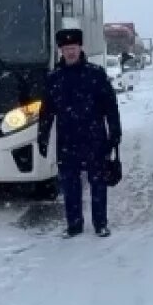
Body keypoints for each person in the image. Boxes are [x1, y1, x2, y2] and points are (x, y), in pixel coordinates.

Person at [37, 27, 122, 238]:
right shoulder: (54, 78)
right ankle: (74, 225)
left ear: (80, 48)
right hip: (67, 140)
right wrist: (43, 135)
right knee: (70, 185)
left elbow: (110, 106)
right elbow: (46, 110)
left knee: (98, 183)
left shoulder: (96, 74)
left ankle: (100, 223)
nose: (70, 52)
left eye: (73, 48)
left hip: (95, 139)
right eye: (66, 49)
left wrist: (115, 132)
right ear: (61, 51)